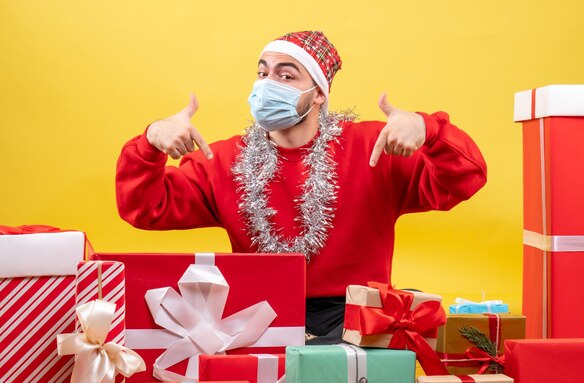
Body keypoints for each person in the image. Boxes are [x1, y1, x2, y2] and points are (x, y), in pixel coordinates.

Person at [116, 30, 487, 344]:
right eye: (262, 73)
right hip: (256, 320)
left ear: (319, 94)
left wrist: (429, 131)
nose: (266, 85)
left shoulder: (373, 147)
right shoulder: (225, 160)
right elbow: (146, 208)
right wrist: (151, 141)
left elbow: (465, 177)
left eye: (286, 76)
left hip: (358, 323)